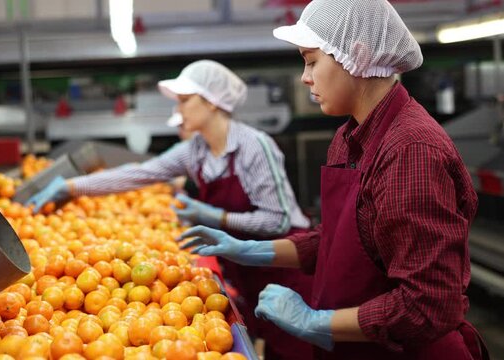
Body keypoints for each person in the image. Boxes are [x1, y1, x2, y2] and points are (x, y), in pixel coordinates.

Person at [178, 1, 489, 359]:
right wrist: (250, 250)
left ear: (355, 55)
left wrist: (315, 321)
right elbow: (338, 237)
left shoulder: (410, 150)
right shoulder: (349, 137)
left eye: (311, 61)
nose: (304, 77)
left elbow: (427, 304)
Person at [27, 59, 313, 358]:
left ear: (212, 102)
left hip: (284, 265)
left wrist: (214, 216)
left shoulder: (254, 146)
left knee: (296, 348)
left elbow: (277, 221)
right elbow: (137, 174)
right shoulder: (196, 151)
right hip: (242, 267)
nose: (178, 111)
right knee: (265, 338)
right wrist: (72, 187)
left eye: (185, 101)